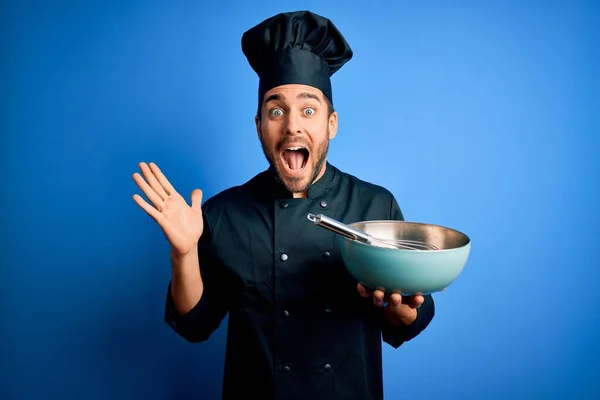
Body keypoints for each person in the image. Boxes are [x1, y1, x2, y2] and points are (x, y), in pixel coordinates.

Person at [132, 10, 435, 399]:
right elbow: (195, 324)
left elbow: (407, 322)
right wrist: (184, 252)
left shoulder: (374, 205)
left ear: (331, 124)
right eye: (277, 110)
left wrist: (401, 304)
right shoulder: (225, 213)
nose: (292, 125)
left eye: (308, 110)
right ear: (259, 125)